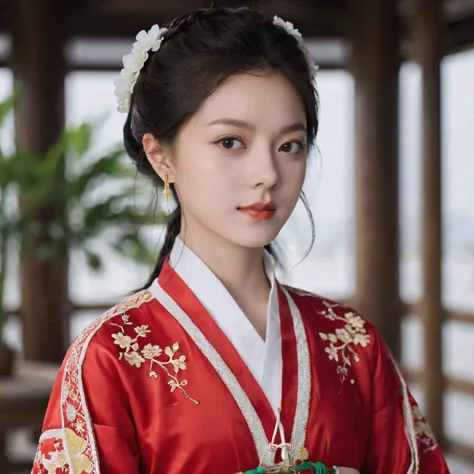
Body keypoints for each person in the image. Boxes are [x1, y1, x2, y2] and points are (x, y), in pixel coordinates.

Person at [32, 6, 450, 474]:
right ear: (160, 156)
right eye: (231, 142)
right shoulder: (110, 356)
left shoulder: (352, 343)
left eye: (289, 145)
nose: (268, 174)